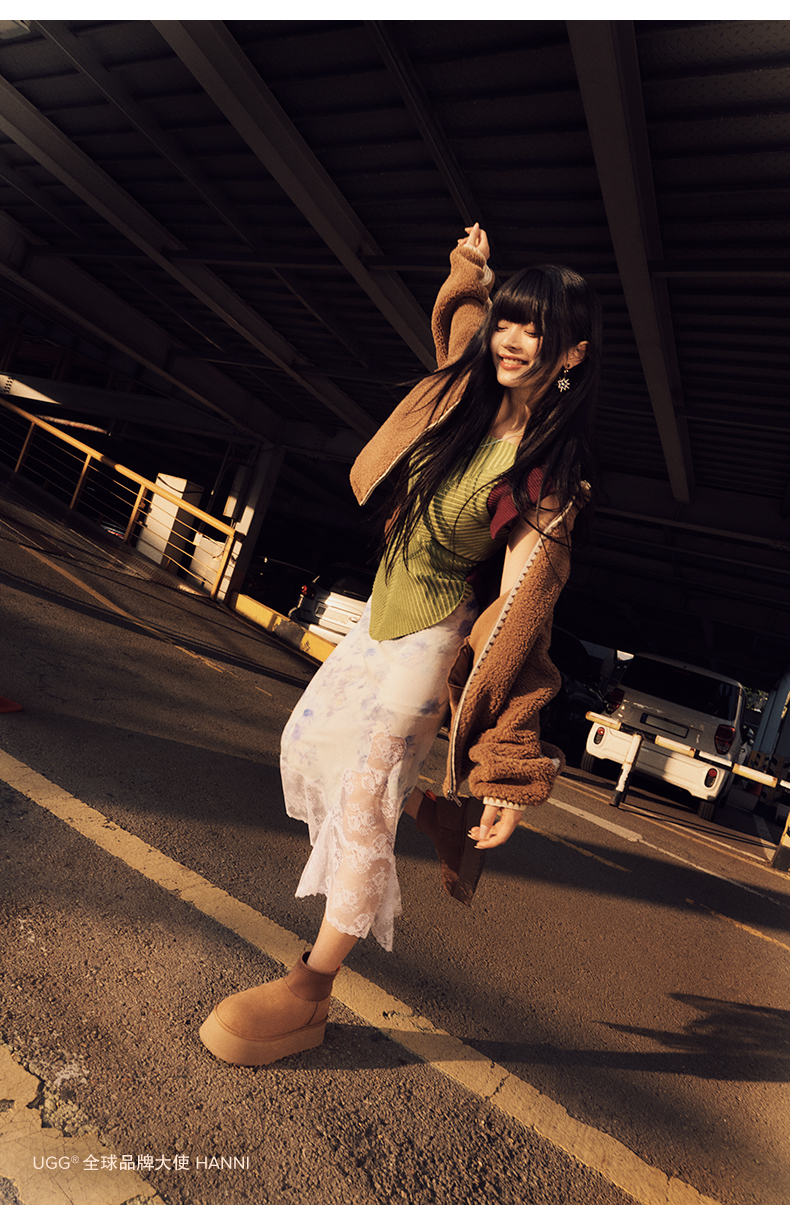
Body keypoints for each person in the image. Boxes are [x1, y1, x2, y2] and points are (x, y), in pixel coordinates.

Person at [199, 224, 602, 1067]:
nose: (513, 338)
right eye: (510, 320)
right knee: (307, 746)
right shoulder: (463, 393)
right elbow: (463, 324)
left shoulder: (541, 476)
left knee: (362, 810)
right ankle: (433, 810)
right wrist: (471, 272)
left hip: (428, 641)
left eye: (537, 330)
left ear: (571, 354)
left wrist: (506, 771)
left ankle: (311, 988)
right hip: (379, 617)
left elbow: (524, 620)